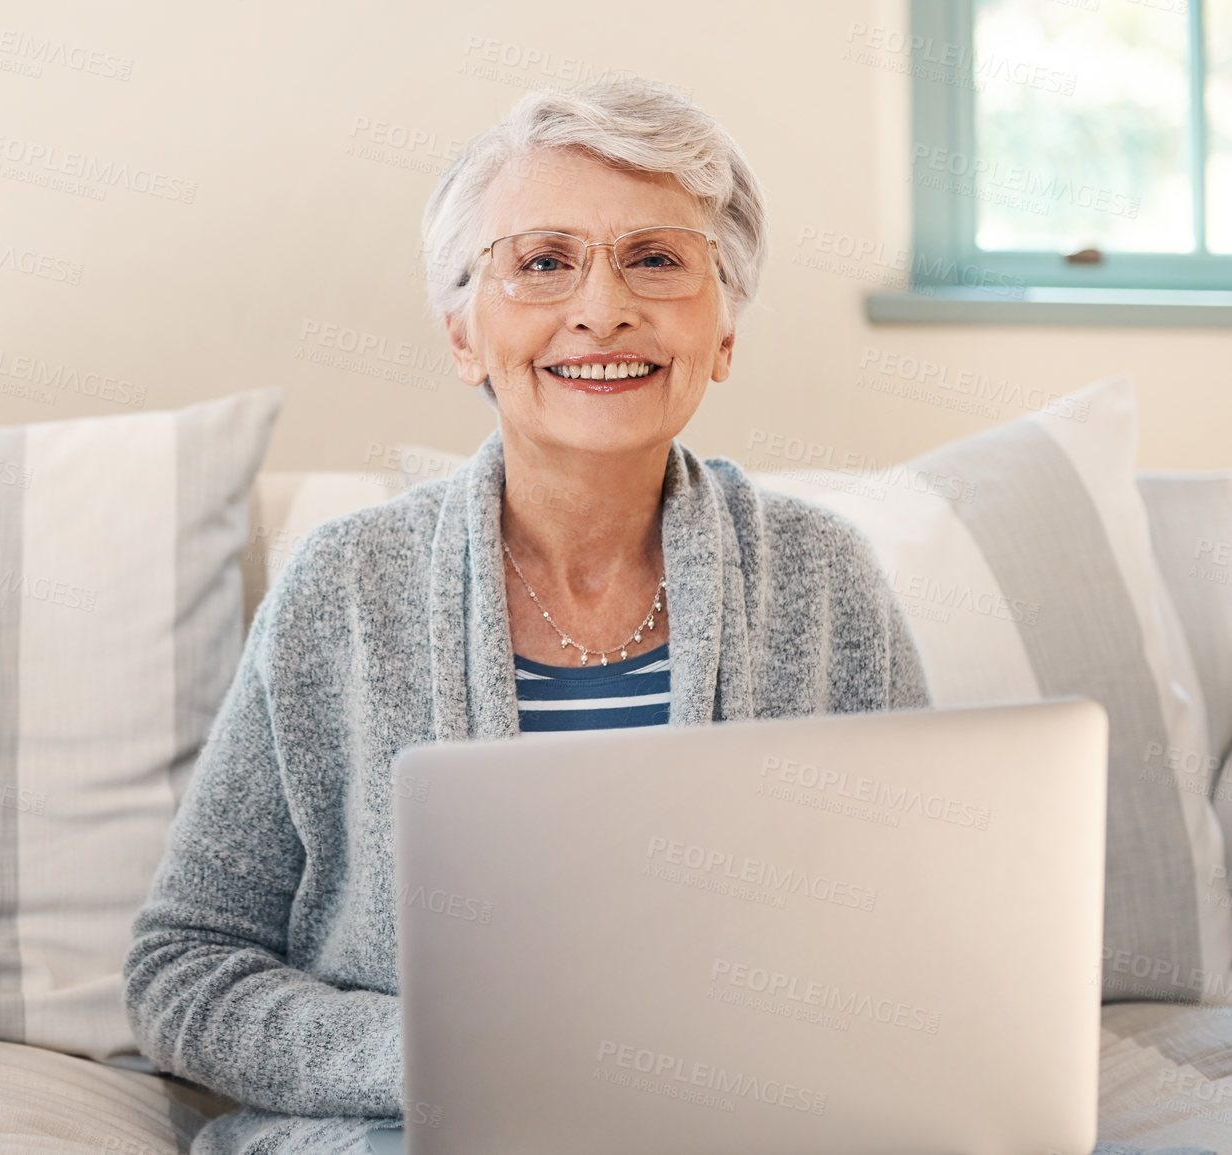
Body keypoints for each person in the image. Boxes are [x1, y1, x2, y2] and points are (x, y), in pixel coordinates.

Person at [123, 74, 930, 1154]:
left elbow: (918, 942)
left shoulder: (825, 582)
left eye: (657, 259)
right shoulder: (345, 589)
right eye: (543, 263)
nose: (602, 308)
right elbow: (184, 966)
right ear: (464, 334)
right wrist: (447, 1055)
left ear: (724, 328)